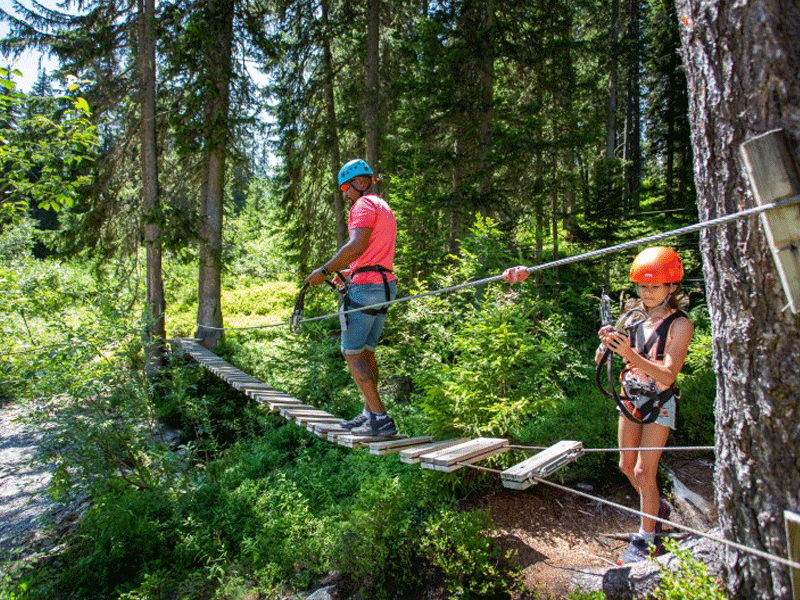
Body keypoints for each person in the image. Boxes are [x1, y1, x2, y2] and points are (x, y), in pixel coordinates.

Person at [503, 246, 694, 564]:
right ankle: (656, 509)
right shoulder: (635, 319)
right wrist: (607, 344)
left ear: (672, 286)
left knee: (644, 472)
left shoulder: (680, 325)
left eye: (654, 286)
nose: (646, 293)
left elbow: (667, 375)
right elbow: (599, 360)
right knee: (625, 465)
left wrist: (629, 354)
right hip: (630, 398)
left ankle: (648, 539)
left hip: (658, 403)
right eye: (642, 286)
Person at [304, 159, 398, 437]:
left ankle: (380, 419)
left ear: (360, 182)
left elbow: (356, 245)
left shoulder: (364, 205)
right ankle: (370, 412)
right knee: (367, 351)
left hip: (366, 288)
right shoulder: (383, 206)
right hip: (384, 286)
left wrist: (324, 271)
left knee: (351, 352)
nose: (344, 194)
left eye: (346, 187)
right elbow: (372, 252)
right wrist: (348, 271)